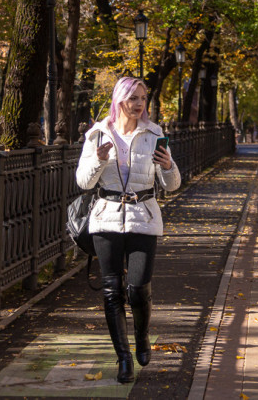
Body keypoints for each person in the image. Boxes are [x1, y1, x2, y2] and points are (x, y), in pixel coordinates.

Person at [75, 77, 181, 383]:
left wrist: (169, 165)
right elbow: (83, 182)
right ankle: (123, 358)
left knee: (138, 289)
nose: (139, 104)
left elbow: (171, 186)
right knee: (112, 292)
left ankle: (142, 337)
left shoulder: (154, 133)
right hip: (106, 219)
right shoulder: (97, 134)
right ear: (119, 99)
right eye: (133, 98)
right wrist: (98, 160)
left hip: (143, 218)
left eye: (143, 98)